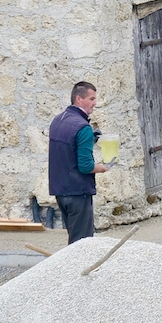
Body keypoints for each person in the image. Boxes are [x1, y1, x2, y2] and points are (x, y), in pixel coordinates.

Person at [47, 81, 109, 243]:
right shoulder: (83, 127)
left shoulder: (58, 120)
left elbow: (68, 149)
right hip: (78, 192)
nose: (95, 103)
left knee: (74, 239)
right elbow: (86, 166)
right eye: (91, 99)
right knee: (82, 244)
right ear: (79, 99)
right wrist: (104, 167)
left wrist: (90, 140)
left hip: (60, 190)